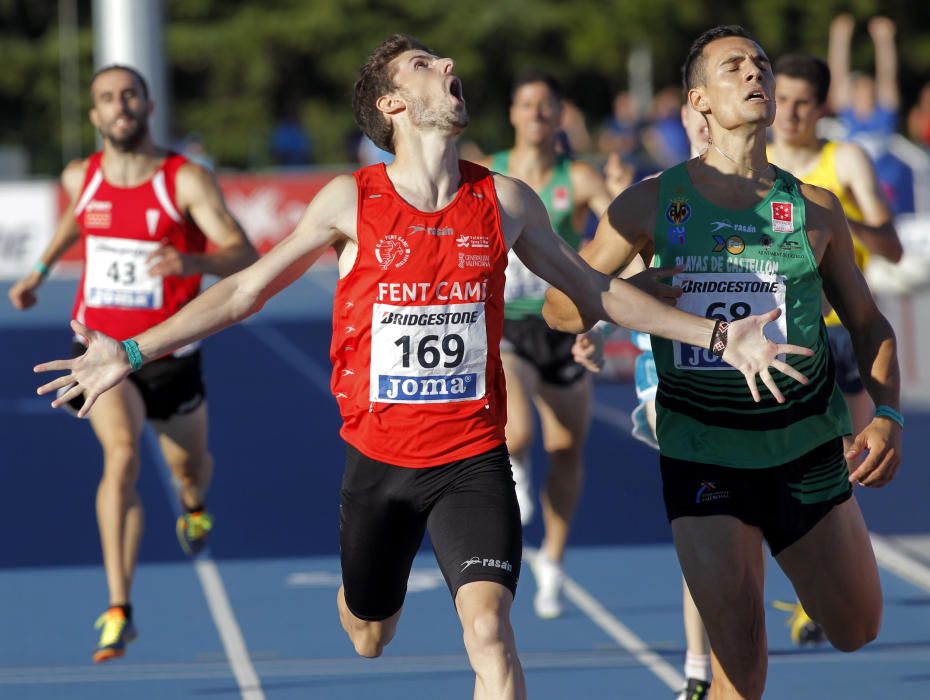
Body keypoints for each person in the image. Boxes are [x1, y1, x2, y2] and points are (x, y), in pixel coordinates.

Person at [34, 36, 811, 700]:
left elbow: (597, 291)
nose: (445, 62)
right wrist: (129, 351)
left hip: (471, 461)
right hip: (378, 461)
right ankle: (365, 592)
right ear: (394, 107)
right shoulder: (350, 201)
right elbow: (242, 290)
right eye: (421, 63)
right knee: (369, 634)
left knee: (490, 635)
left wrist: (719, 338)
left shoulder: (505, 202)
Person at [545, 25, 902, 700]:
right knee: (741, 670)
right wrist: (631, 295)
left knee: (858, 626)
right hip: (704, 454)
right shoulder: (651, 203)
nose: (754, 74)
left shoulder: (816, 209)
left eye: (760, 64)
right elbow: (566, 309)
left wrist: (886, 416)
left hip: (806, 449)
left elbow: (867, 322)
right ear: (698, 100)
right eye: (733, 66)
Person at [8, 65, 257, 662]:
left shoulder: (185, 180)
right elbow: (77, 218)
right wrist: (40, 272)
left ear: (147, 105)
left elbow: (244, 253)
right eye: (106, 99)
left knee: (189, 470)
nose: (119, 106)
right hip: (97, 351)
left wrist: (192, 261)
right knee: (119, 456)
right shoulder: (81, 176)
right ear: (94, 116)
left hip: (169, 353)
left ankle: (194, 508)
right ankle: (119, 607)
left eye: (129, 95)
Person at [476, 70, 628, 620]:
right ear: (513, 115)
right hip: (506, 325)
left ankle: (554, 561)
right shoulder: (490, 172)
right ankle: (515, 469)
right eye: (526, 103)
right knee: (516, 428)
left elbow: (623, 224)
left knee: (567, 452)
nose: (537, 113)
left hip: (562, 327)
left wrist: (617, 185)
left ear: (559, 115)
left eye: (546, 105)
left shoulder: (576, 176)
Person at [576, 97, 713, 700]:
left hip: (752, 376)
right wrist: (594, 330)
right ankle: (697, 668)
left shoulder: (776, 202)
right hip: (669, 378)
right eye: (698, 115)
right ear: (681, 121)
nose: (709, 126)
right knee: (711, 507)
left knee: (746, 521)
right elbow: (609, 280)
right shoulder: (660, 198)